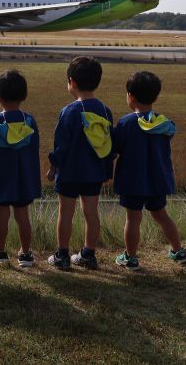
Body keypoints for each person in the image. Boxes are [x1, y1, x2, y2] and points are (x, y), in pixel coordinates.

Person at [112, 70, 186, 270]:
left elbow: (115, 148)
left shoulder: (126, 123)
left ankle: (130, 257)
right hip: (158, 179)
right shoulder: (163, 124)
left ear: (130, 96)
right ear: (156, 97)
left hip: (133, 180)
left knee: (133, 218)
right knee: (162, 215)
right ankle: (178, 250)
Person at [46, 56, 113, 271]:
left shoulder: (69, 112)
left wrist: (52, 167)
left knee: (65, 213)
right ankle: (88, 254)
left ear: (71, 82)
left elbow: (61, 146)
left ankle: (62, 255)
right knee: (91, 213)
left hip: (70, 172)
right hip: (94, 172)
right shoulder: (104, 110)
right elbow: (108, 143)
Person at [0, 69, 42, 267]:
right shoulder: (30, 121)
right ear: (24, 95)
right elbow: (34, 149)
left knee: (2, 217)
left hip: (0, 178)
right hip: (23, 177)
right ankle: (25, 254)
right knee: (22, 216)